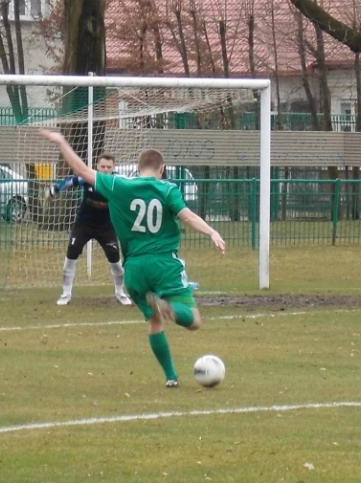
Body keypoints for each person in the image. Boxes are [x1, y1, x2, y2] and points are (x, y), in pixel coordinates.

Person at [40, 129, 226, 387]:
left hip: (134, 269)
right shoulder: (168, 189)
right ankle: (169, 306)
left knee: (154, 322)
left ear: (138, 168)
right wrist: (212, 231)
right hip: (164, 263)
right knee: (193, 320)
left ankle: (171, 377)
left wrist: (61, 142)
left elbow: (82, 172)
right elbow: (187, 216)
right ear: (162, 169)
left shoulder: (119, 185)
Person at [44, 153, 132, 306]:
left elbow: (135, 187)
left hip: (106, 227)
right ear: (97, 167)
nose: (105, 170)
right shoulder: (89, 178)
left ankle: (120, 292)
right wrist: (55, 189)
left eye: (108, 167)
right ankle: (66, 293)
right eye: (102, 166)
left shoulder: (118, 182)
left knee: (116, 260)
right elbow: (71, 180)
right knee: (71, 255)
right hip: (84, 224)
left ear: (113, 168)